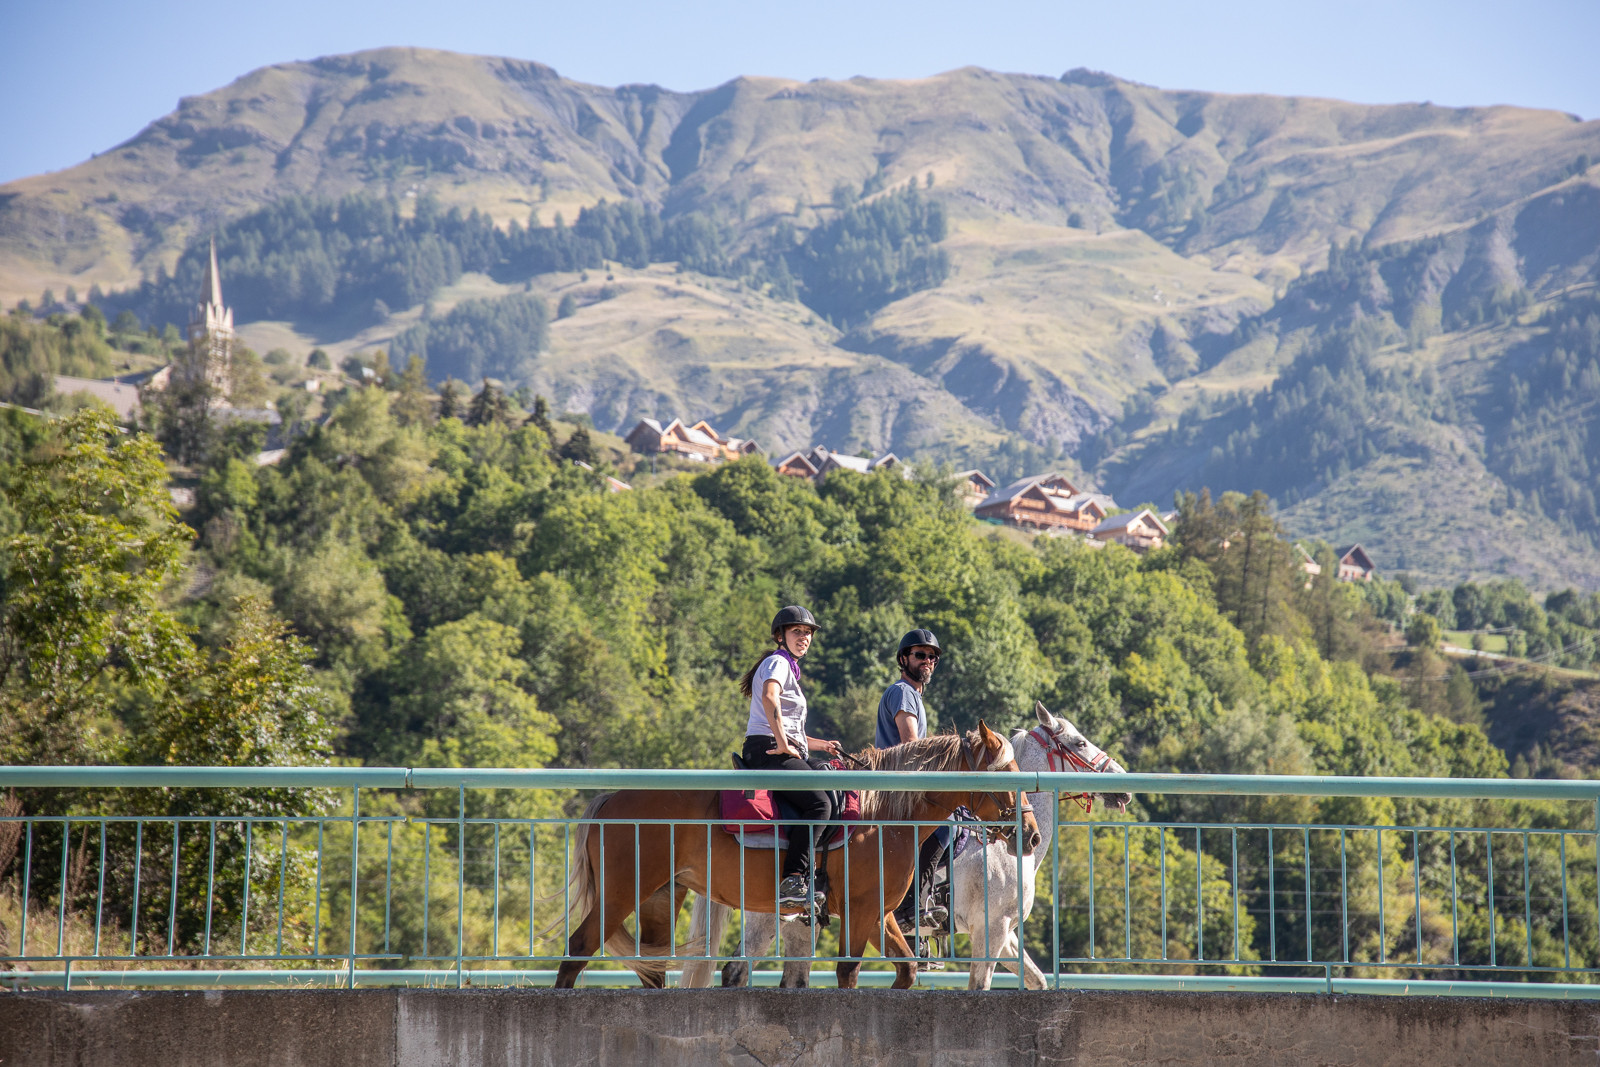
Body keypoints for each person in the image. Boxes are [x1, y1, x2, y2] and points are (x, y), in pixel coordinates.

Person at [739, 605, 844, 906]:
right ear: (780, 636)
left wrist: (821, 744)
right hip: (768, 749)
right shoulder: (778, 663)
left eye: (808, 633)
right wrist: (785, 744)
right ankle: (794, 879)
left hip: (777, 746)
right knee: (820, 804)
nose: (804, 637)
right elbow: (769, 697)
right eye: (797, 631)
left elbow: (790, 728)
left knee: (829, 781)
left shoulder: (787, 667)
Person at [877, 628, 952, 940]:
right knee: (946, 825)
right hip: (899, 786)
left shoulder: (912, 696)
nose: (928, 661)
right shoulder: (903, 692)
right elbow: (911, 745)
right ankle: (912, 905)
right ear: (903, 659)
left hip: (904, 781)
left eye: (932, 656)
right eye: (920, 655)